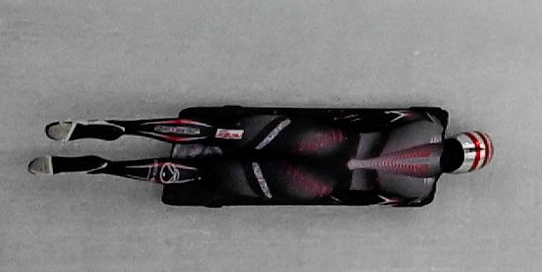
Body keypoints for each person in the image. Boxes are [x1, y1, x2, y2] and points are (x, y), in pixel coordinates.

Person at [30, 107, 491, 207]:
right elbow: (361, 203)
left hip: (321, 140)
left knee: (222, 132)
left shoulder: (427, 123)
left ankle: (121, 127)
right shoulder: (419, 195)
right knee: (202, 173)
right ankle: (103, 167)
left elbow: (365, 118)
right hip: (312, 184)